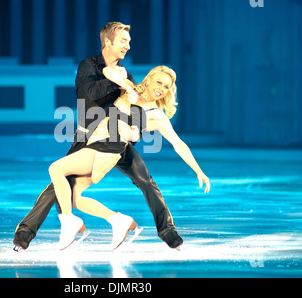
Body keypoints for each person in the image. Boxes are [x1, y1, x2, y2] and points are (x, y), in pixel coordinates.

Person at [13, 22, 183, 251]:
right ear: (108, 42)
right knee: (60, 184)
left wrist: (136, 132)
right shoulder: (89, 66)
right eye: (123, 41)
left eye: (129, 42)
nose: (128, 46)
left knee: (146, 181)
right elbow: (92, 92)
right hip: (88, 138)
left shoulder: (126, 75)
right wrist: (116, 80)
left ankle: (168, 231)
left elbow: (133, 112)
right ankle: (26, 232)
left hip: (115, 140)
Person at [49, 65, 211, 250]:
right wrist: (125, 86)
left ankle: (167, 231)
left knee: (147, 182)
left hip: (116, 148)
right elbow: (108, 71)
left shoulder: (157, 115)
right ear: (149, 79)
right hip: (101, 140)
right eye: (159, 82)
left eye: (166, 87)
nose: (161, 89)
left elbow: (178, 144)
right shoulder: (129, 88)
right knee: (70, 194)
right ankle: (115, 220)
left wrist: (199, 170)